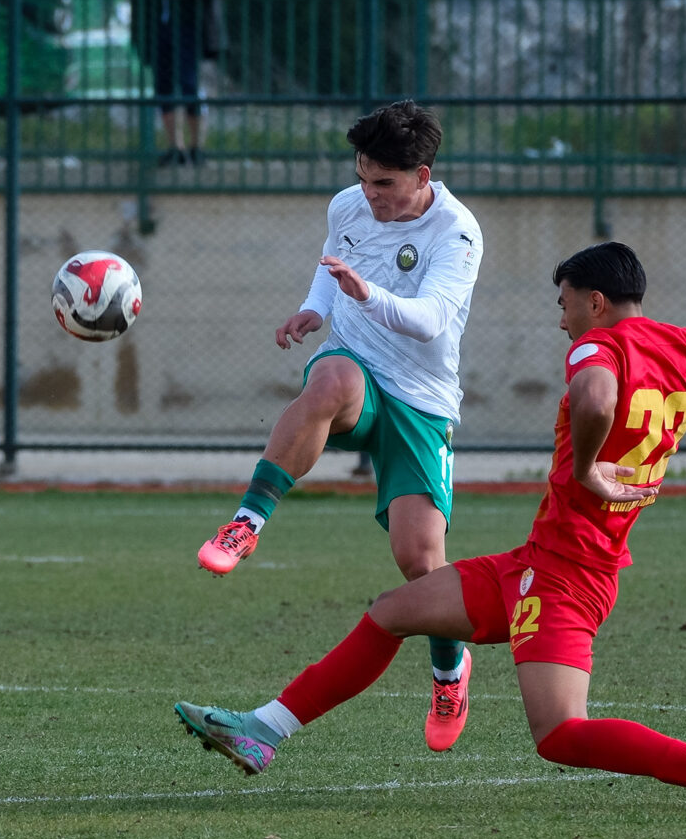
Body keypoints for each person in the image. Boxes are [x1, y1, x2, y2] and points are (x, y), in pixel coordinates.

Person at [175, 156, 686, 812]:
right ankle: (262, 730)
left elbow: (596, 397)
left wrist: (588, 468)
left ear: (595, 303)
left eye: (565, 305)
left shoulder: (598, 346)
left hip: (564, 578)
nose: (561, 321)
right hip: (540, 563)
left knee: (560, 733)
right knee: (391, 612)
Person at [194, 99, 485, 754]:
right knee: (327, 381)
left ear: (422, 176)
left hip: (421, 400)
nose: (369, 193)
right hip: (354, 366)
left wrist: (365, 294)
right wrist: (314, 309)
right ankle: (246, 522)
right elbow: (333, 263)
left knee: (421, 564)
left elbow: (431, 321)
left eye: (384, 182)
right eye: (362, 177)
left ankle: (450, 671)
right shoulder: (348, 206)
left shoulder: (458, 232)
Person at [97, 0, 235, 166]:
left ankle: (197, 147)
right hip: (156, 21)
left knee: (189, 83)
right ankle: (175, 147)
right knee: (163, 84)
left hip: (190, 19)